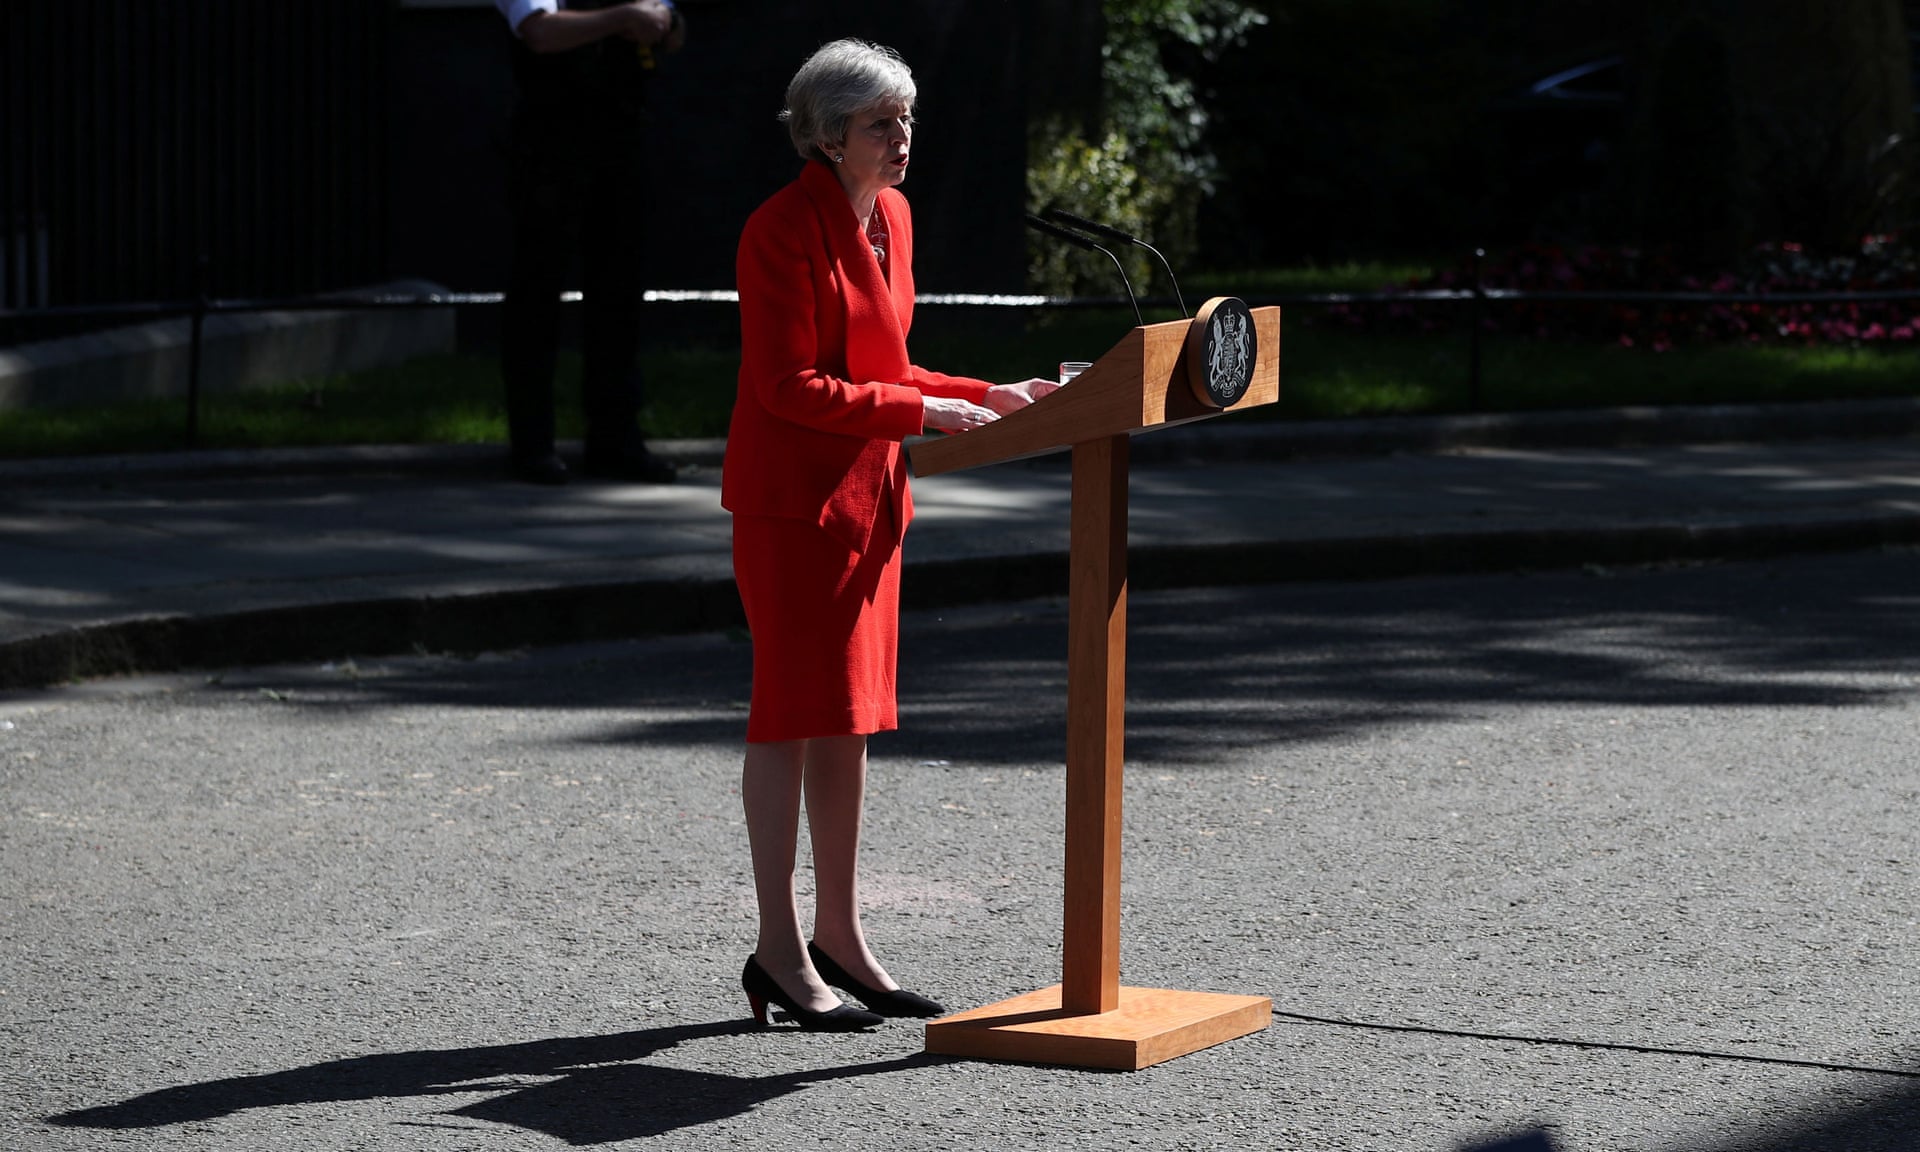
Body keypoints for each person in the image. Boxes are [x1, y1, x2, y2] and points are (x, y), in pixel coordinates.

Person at [722, 39, 1058, 1030]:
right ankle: (780, 952)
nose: (903, 137)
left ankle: (842, 937)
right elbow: (789, 388)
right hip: (794, 511)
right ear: (828, 137)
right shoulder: (777, 230)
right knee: (789, 718)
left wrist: (985, 393)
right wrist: (923, 417)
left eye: (907, 118)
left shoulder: (894, 218)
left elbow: (886, 360)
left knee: (849, 722)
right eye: (882, 123)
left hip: (869, 504)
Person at [494, 0, 686, 486]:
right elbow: (538, 31)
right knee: (536, 295)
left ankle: (615, 440)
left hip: (622, 135)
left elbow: (670, 29)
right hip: (550, 143)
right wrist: (624, 19)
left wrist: (664, 23)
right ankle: (532, 445)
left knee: (619, 294)